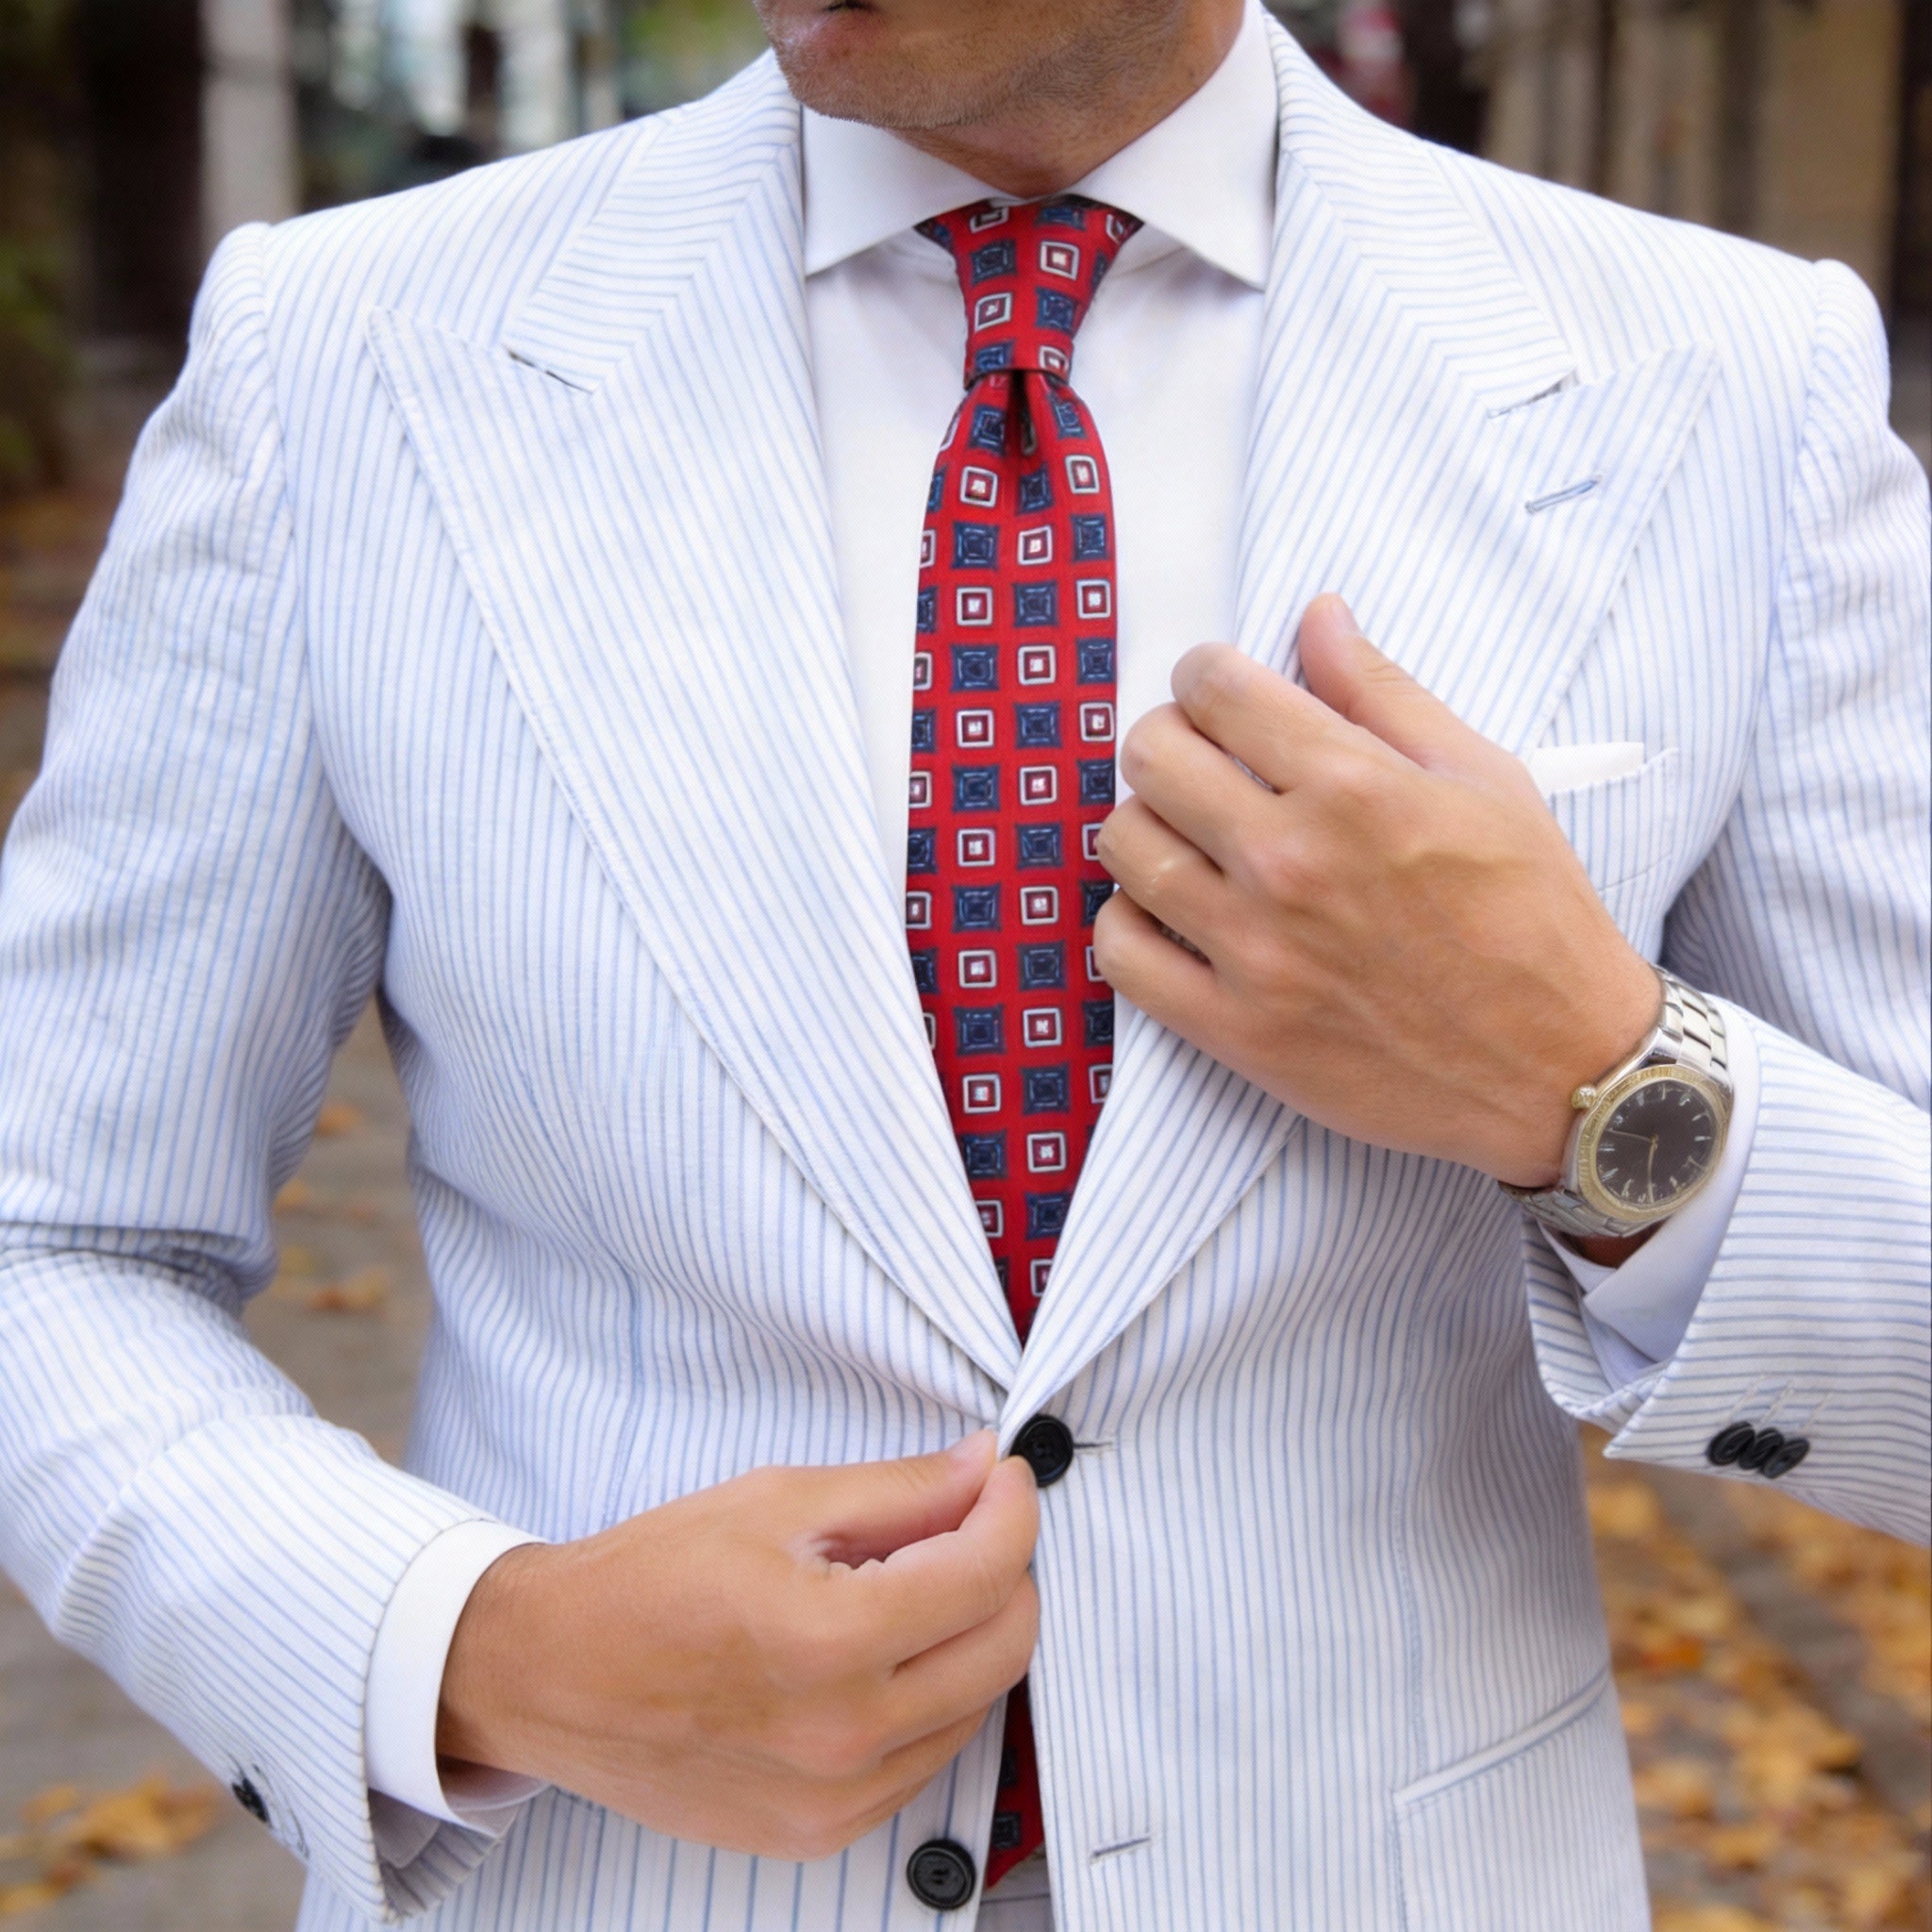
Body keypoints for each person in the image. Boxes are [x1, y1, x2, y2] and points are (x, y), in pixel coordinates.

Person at [0, 0, 1924, 1925]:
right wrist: (472, 1648)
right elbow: (51, 1237)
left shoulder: (1728, 385)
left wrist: (1594, 1084)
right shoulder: (339, 358)